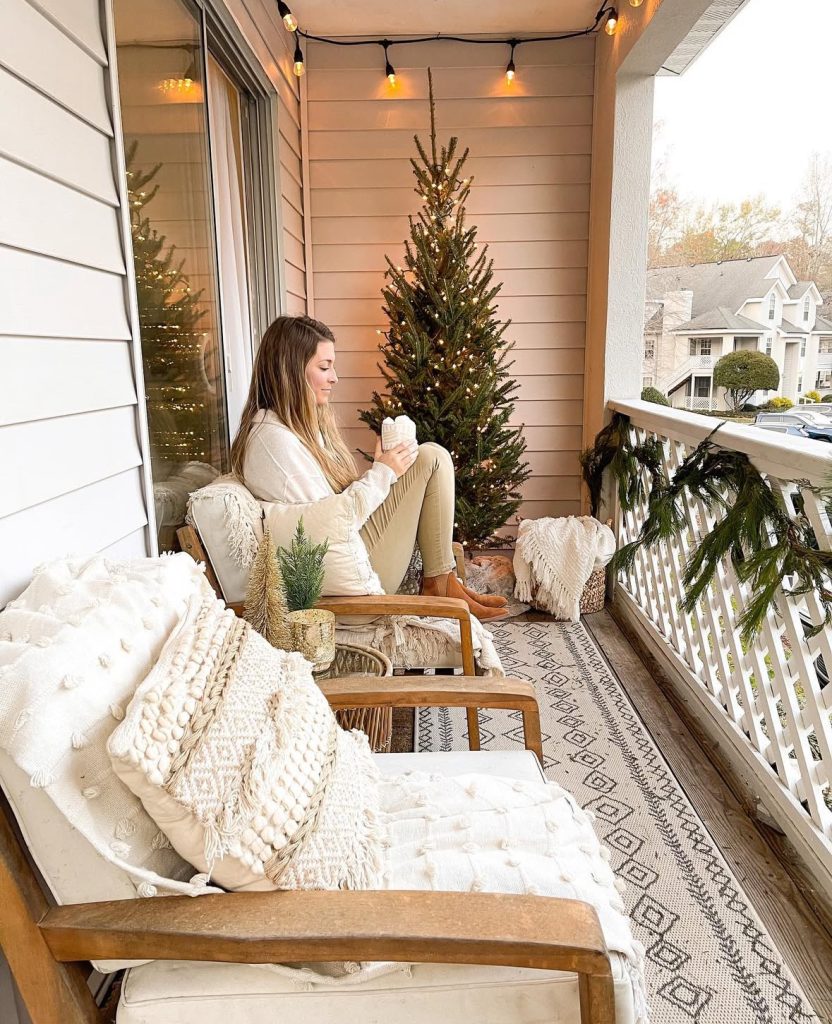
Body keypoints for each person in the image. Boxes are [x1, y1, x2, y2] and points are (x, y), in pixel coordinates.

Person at [231, 315, 507, 621]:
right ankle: (440, 585)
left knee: (430, 457)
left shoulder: (289, 430)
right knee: (431, 457)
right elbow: (328, 528)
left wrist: (381, 472)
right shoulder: (274, 443)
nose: (334, 378)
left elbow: (328, 512)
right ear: (291, 372)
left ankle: (443, 582)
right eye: (324, 367)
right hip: (340, 587)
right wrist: (382, 474)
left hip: (345, 558)